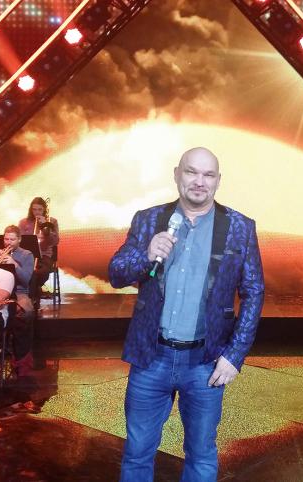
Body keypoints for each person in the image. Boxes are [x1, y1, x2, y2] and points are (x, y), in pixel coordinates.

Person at [109, 147, 265, 481]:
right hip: (151, 358)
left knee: (201, 454)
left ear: (218, 181)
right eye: (192, 172)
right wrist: (145, 255)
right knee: (137, 453)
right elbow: (116, 273)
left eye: (208, 175)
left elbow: (253, 292)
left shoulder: (240, 227)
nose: (199, 181)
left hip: (206, 363)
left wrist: (234, 354)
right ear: (177, 174)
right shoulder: (148, 219)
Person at [0, 225, 35, 375]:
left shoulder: (26, 255)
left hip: (19, 292)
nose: (8, 242)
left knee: (25, 313)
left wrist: (14, 264)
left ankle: (22, 358)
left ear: (19, 240)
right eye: (6, 239)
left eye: (12, 239)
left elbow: (25, 280)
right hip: (0, 290)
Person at [18, 197, 59, 294]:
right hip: (27, 255)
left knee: (40, 273)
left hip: (44, 255)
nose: (37, 212)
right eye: (34, 209)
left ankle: (33, 293)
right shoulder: (23, 222)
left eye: (40, 209)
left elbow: (55, 241)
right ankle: (31, 294)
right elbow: (19, 240)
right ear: (31, 210)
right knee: (21, 270)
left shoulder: (52, 221)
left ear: (44, 209)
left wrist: (46, 227)